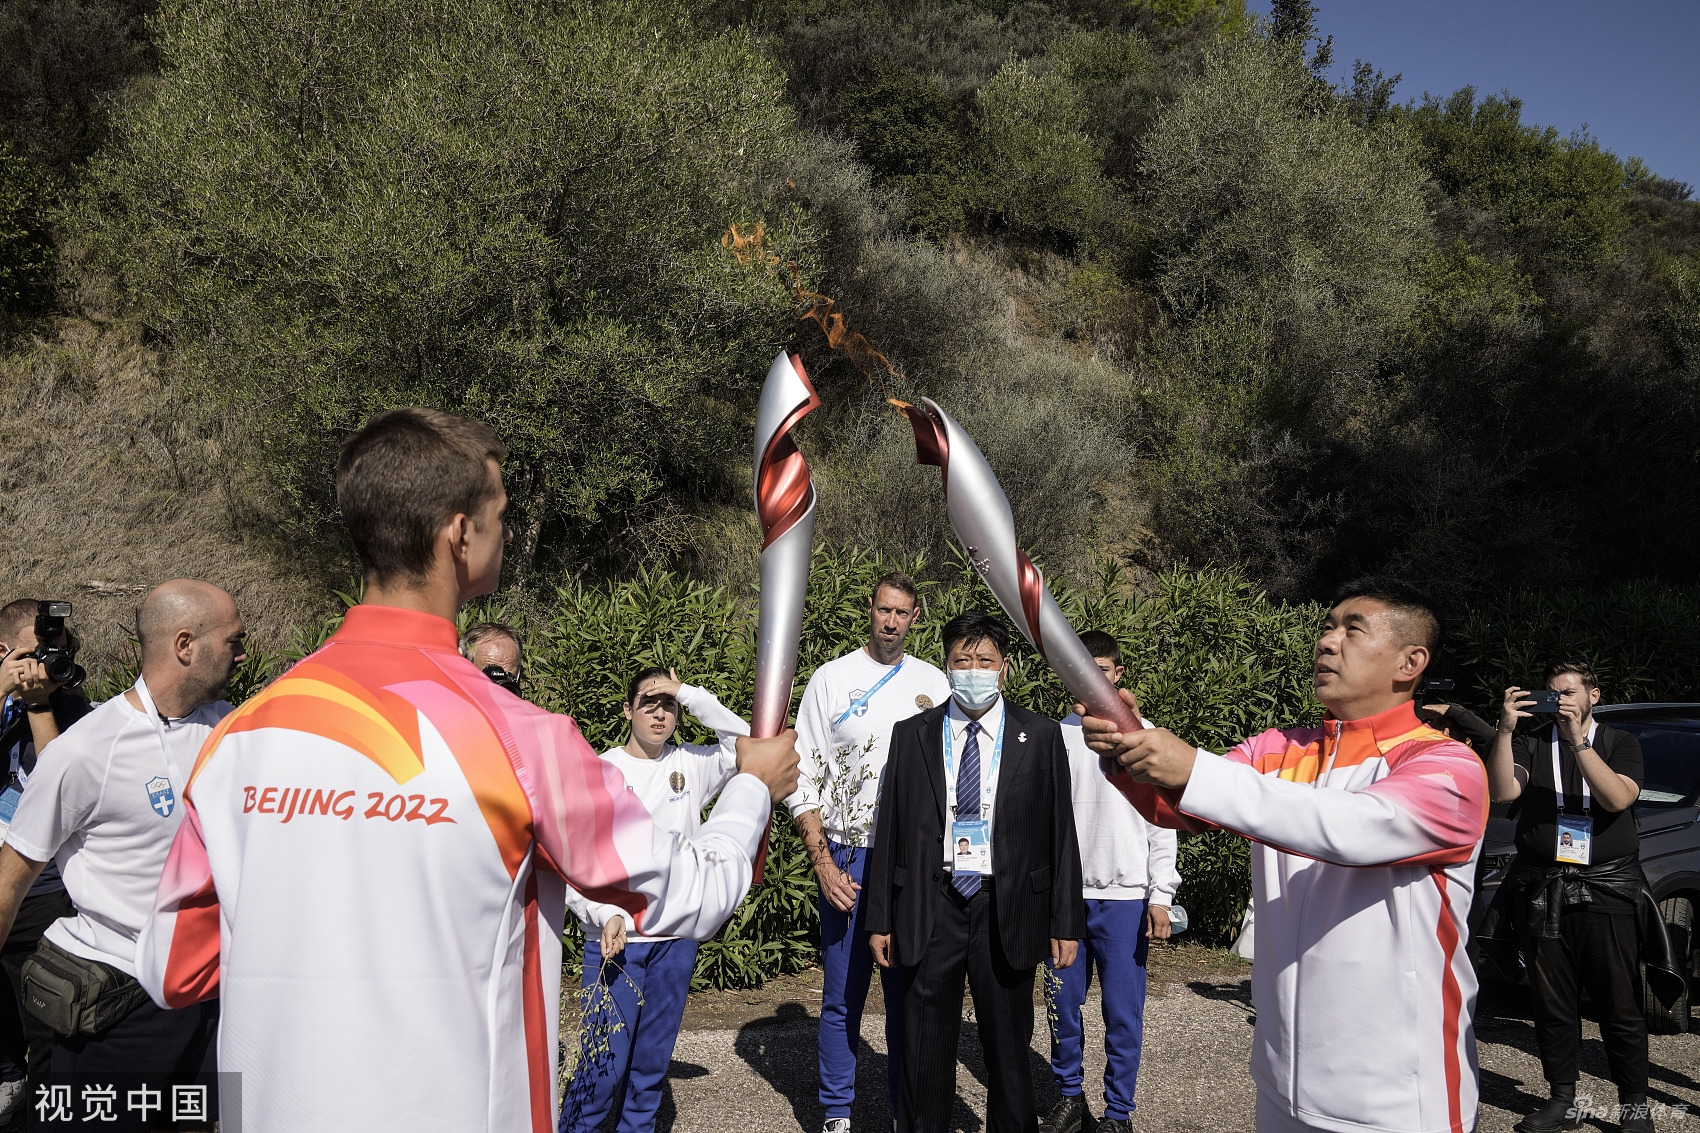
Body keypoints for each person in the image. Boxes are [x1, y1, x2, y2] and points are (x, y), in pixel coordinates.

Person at [136, 407, 799, 1133]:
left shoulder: (240, 734)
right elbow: (689, 894)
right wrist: (751, 791)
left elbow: (174, 968)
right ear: (459, 533)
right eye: (501, 513)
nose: (507, 532)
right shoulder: (523, 740)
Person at [1080, 577, 1487, 1133]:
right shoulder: (1275, 749)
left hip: (1398, 1096)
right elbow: (1181, 808)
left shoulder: (1447, 768)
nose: (1327, 641)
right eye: (1326, 627)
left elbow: (1351, 829)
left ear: (1409, 661)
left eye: (1352, 629)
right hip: (1281, 1085)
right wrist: (1124, 747)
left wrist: (1196, 769)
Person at [0, 580, 246, 1127]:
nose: (244, 653)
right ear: (185, 645)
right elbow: (10, 881)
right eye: (234, 641)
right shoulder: (86, 749)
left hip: (211, 1002)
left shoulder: (231, 730)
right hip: (117, 1010)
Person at [865, 611, 1083, 1133]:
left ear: (1004, 669)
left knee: (1009, 1055)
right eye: (963, 659)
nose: (974, 669)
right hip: (930, 906)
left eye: (985, 660)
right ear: (947, 665)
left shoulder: (1041, 734)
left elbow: (1060, 832)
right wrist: (880, 917)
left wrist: (1064, 921)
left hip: (1006, 908)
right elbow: (889, 828)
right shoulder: (912, 734)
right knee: (925, 1055)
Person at [785, 572, 949, 1133]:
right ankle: (836, 1115)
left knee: (909, 996)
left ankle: (908, 1113)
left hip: (910, 864)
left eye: (902, 613)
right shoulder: (832, 680)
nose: (891, 622)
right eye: (884, 610)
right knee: (842, 997)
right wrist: (822, 861)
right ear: (870, 610)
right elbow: (799, 775)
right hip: (847, 856)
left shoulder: (935, 684)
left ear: (915, 617)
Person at [562, 667, 751, 1133]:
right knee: (600, 1073)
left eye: (667, 704)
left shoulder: (690, 762)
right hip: (618, 939)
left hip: (674, 940)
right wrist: (605, 914)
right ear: (627, 710)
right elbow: (570, 862)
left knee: (649, 1070)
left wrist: (686, 692)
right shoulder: (601, 769)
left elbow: (744, 741)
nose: (659, 712)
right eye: (648, 702)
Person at [1488, 659, 1653, 1133]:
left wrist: (1578, 739)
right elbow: (1502, 792)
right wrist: (1503, 731)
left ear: (1593, 696)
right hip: (1543, 886)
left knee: (1618, 1001)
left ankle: (1635, 1106)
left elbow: (1617, 799)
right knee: (1550, 1000)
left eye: (1569, 692)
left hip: (1606, 885)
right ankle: (1562, 1099)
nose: (1560, 700)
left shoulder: (1620, 742)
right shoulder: (1532, 743)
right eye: (1552, 692)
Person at [1041, 631, 1179, 1133]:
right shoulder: (1053, 738)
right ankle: (1068, 1097)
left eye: (1104, 668)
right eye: (1085, 669)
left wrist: (1160, 895)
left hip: (1124, 898)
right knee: (1063, 1006)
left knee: (1123, 1013)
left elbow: (1162, 821)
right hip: (1067, 900)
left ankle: (1118, 1113)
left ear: (1118, 674)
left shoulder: (1147, 736)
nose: (1096, 678)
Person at [0, 599, 91, 1117]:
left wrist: (38, 707)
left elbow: (59, 789)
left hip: (40, 888)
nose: (46, 665)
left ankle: (45, 1102)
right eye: (36, 654)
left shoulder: (72, 707)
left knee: (43, 1006)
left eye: (56, 652)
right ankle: (9, 1076)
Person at [462, 621, 524, 694]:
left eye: (506, 677)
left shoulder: (525, 705)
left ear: (519, 675)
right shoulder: (448, 703)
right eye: (487, 677)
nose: (497, 690)